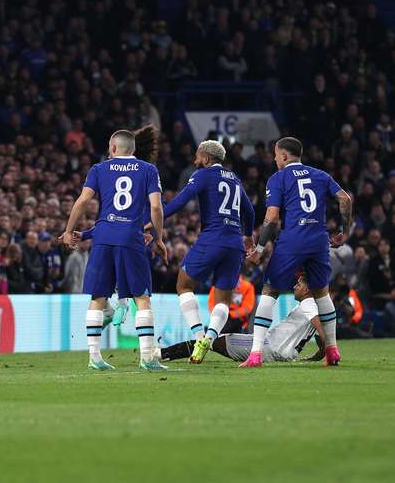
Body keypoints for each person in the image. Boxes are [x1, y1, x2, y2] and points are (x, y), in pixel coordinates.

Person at [62, 129, 169, 372]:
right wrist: (159, 239)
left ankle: (94, 357)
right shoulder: (148, 170)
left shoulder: (98, 169)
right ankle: (147, 358)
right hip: (131, 239)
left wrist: (69, 231)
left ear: (112, 148)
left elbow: (82, 201)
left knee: (98, 298)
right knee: (141, 298)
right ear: (133, 149)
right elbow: (156, 208)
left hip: (102, 239)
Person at [244, 137, 352, 367]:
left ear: (284, 156)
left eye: (275, 154)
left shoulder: (278, 178)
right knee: (322, 292)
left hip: (293, 239)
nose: (274, 159)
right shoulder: (320, 175)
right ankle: (332, 350)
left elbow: (272, 217)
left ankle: (255, 354)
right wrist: (345, 230)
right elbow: (345, 199)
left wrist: (260, 249)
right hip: (319, 240)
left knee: (270, 290)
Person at [162, 140, 255, 363]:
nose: (195, 161)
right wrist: (248, 236)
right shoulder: (234, 178)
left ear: (206, 158)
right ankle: (209, 339)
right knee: (224, 298)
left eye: (197, 157)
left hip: (212, 238)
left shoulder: (203, 175)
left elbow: (181, 201)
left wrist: (156, 218)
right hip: (235, 244)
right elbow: (249, 210)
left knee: (183, 285)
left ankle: (198, 336)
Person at [159, 275, 326, 363]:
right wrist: (322, 350)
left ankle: (161, 354)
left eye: (299, 284)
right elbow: (318, 327)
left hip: (270, 347)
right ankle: (164, 353)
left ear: (308, 289)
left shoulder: (309, 303)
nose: (295, 286)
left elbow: (316, 322)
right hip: (286, 352)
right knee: (210, 341)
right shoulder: (315, 304)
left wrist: (326, 348)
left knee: (209, 341)